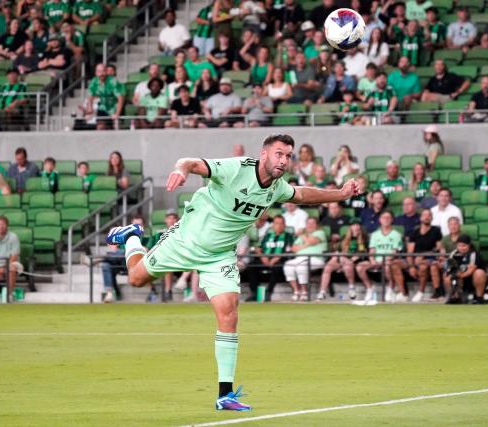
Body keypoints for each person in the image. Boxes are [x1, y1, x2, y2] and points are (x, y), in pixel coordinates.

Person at [104, 134, 360, 410]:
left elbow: (303, 194)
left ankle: (225, 394)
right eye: (279, 154)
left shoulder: (276, 187)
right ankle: (131, 237)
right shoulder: (237, 168)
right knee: (137, 278)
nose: (284, 160)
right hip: (186, 240)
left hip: (220, 255)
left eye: (288, 155)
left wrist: (341, 193)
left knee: (229, 311)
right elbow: (189, 162)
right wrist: (181, 170)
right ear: (264, 154)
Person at [393, 208, 443, 302]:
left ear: (431, 218)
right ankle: (403, 293)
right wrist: (411, 266)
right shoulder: (414, 233)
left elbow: (438, 248)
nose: (427, 217)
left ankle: (421, 292)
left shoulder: (436, 231)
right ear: (421, 218)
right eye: (424, 215)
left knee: (423, 266)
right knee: (395, 264)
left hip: (429, 257)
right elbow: (410, 252)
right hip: (414, 258)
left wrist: (423, 255)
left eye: (429, 215)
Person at [356, 210, 403, 303]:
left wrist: (383, 260)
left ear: (392, 220)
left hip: (388, 261)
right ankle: (370, 288)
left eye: (388, 218)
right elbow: (372, 250)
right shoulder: (374, 234)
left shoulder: (396, 234)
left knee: (387, 266)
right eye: (384, 218)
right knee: (359, 267)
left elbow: (394, 252)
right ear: (380, 220)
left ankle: (391, 288)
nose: (386, 220)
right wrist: (372, 259)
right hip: (376, 261)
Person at [247, 215, 293, 302]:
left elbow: (291, 249)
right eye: (276, 223)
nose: (279, 225)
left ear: (285, 225)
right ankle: (254, 293)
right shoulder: (267, 236)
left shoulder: (289, 236)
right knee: (252, 266)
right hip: (265, 259)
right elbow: (258, 248)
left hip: (280, 260)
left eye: (281, 223)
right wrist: (262, 256)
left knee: (277, 267)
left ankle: (269, 292)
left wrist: (278, 257)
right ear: (272, 225)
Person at [284, 217, 327, 301]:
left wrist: (301, 237)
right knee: (288, 265)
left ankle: (305, 292)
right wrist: (305, 245)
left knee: (301, 266)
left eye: (312, 223)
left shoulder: (320, 232)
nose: (310, 225)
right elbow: (293, 248)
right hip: (300, 258)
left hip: (316, 258)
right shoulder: (303, 236)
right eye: (308, 223)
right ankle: (296, 292)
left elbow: (311, 241)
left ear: (317, 225)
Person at [443, 234, 488, 304]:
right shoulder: (453, 254)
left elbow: (471, 271)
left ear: (469, 245)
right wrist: (451, 274)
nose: (461, 248)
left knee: (479, 272)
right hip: (461, 280)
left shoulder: (474, 254)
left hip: (474, 281)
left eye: (464, 246)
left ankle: (479, 298)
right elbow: (449, 267)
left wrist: (459, 275)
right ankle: (455, 297)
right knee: (447, 276)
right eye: (459, 245)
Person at [0, 216, 23, 300]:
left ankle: (9, 294)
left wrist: (2, 269)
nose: (1, 226)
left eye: (3, 224)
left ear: (7, 225)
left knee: (12, 268)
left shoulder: (13, 237)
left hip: (10, 262)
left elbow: (14, 256)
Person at [87, 63, 124, 131]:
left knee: (116, 126)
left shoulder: (113, 81)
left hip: (115, 106)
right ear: (96, 73)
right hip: (103, 106)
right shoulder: (93, 82)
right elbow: (90, 98)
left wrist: (117, 114)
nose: (101, 74)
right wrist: (90, 112)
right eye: (99, 71)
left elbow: (120, 99)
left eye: (103, 71)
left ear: (106, 72)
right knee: (100, 127)